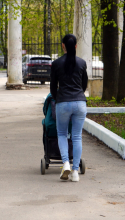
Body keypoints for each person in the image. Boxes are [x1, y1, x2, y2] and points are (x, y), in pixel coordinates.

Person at [50, 34, 88, 182]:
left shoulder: (56, 63)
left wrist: (56, 98)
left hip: (63, 102)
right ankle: (75, 171)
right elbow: (84, 85)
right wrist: (78, 95)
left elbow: (53, 86)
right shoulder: (82, 63)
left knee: (61, 134)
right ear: (76, 46)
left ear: (63, 45)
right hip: (80, 102)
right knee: (77, 136)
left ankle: (65, 163)